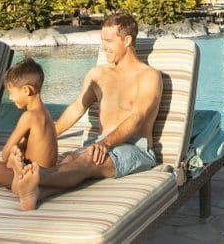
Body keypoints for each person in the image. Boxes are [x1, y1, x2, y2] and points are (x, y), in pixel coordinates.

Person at [9, 11, 163, 211]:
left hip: (136, 147)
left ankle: (31, 176)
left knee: (87, 159)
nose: (103, 46)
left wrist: (105, 143)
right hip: (100, 143)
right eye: (102, 40)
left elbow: (137, 118)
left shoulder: (149, 76)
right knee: (70, 159)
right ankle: (35, 191)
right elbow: (76, 108)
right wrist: (44, 136)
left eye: (108, 41)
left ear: (126, 40)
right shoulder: (98, 74)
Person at [0, 58, 57, 188]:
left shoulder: (29, 116)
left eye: (11, 93)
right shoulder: (44, 112)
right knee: (6, 161)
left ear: (26, 90)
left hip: (34, 176)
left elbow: (5, 154)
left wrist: (12, 156)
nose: (10, 98)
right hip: (48, 173)